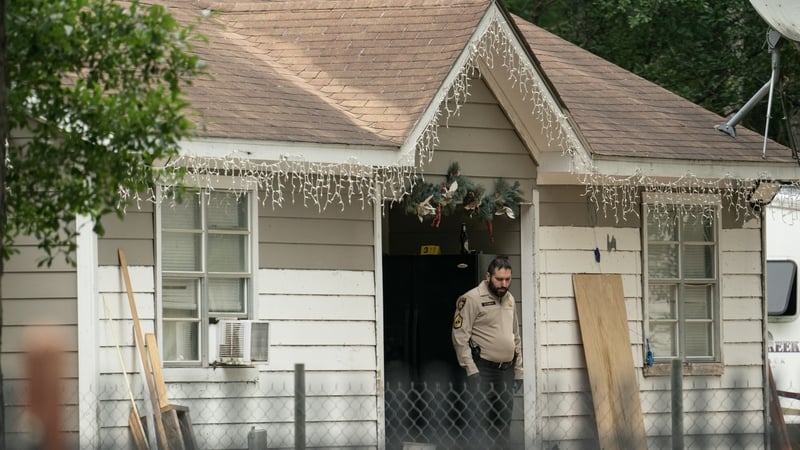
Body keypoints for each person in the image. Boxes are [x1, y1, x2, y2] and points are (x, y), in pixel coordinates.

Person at [452, 255, 522, 449]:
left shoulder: (509, 299)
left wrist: (519, 371)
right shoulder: (471, 298)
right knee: (479, 424)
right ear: (488, 276)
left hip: (506, 371)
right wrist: (471, 370)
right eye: (499, 279)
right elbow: (460, 337)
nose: (504, 284)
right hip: (482, 369)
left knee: (502, 424)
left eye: (508, 279)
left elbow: (515, 336)